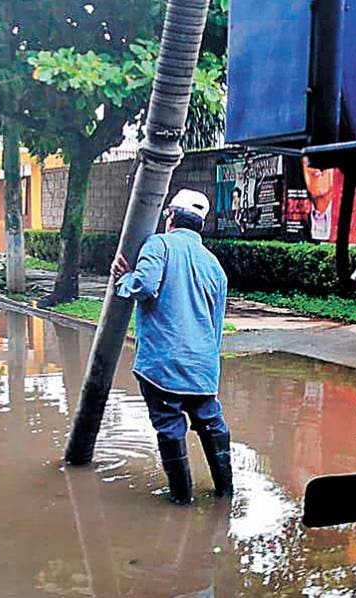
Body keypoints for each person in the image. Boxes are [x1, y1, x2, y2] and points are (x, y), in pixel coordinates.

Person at [111, 189, 233, 505]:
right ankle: (225, 494)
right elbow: (216, 326)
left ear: (170, 217)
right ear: (200, 227)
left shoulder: (159, 245)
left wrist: (125, 279)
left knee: (169, 427)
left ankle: (182, 500)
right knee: (211, 423)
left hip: (162, 366)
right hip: (203, 369)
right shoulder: (214, 265)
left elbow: (144, 285)